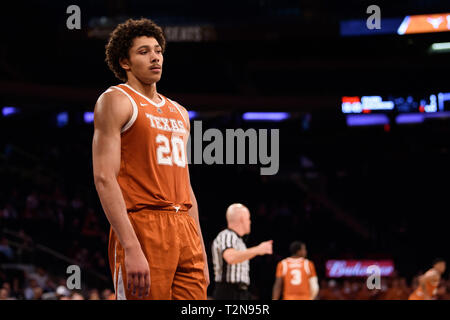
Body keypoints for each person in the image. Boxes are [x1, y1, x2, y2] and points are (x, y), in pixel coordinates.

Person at [92, 18, 208, 300]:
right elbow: (104, 178)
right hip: (143, 225)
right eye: (143, 51)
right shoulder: (116, 100)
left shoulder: (180, 112)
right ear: (125, 62)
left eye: (158, 50)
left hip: (185, 227)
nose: (155, 56)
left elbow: (186, 184)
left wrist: (201, 246)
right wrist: (130, 246)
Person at [211, 203, 273, 300]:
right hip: (228, 291)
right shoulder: (226, 235)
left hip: (241, 291)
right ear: (241, 219)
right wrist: (258, 250)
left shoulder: (239, 241)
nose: (250, 222)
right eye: (248, 218)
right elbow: (230, 257)